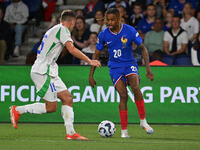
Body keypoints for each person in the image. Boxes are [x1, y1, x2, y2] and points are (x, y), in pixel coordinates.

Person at [9, 10, 101, 140]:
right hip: (43, 72)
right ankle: (18, 110)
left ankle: (71, 133)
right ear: (72, 22)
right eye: (74, 23)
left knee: (68, 98)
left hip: (50, 70)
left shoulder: (55, 29)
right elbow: (72, 49)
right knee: (51, 107)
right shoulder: (63, 29)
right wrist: (90, 60)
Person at [89, 8, 154, 138]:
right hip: (115, 67)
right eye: (108, 20)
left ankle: (143, 121)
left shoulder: (129, 30)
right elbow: (96, 54)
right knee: (123, 96)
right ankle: (124, 131)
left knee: (136, 87)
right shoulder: (103, 34)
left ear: (119, 19)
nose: (109, 22)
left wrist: (148, 68)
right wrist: (91, 75)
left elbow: (143, 48)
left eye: (112, 19)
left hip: (130, 64)